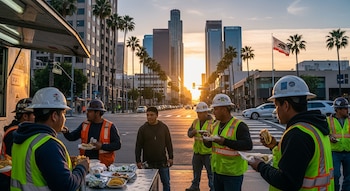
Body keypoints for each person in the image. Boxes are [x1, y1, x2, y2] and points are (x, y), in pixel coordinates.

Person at [249, 75, 334, 190]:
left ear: (286, 105)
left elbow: (287, 181)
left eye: (276, 105)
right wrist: (274, 146)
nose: (276, 110)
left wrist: (259, 166)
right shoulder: (314, 128)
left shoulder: (297, 134)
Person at [10, 87, 89, 190]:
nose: (64, 118)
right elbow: (66, 186)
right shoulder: (48, 145)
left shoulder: (22, 138)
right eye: (63, 113)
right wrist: (82, 167)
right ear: (54, 116)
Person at [203, 93, 253, 191]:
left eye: (216, 109)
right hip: (217, 172)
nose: (214, 112)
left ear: (224, 109)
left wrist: (224, 141)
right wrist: (206, 140)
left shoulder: (239, 125)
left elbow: (247, 145)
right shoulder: (215, 125)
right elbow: (211, 145)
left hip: (232, 174)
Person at [63, 99, 121, 166]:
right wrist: (66, 132)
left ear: (97, 113)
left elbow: (117, 145)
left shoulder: (109, 126)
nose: (87, 113)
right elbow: (72, 137)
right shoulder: (85, 124)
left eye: (90, 111)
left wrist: (102, 146)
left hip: (103, 166)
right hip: (86, 164)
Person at [135, 106, 174, 191]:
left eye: (151, 115)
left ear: (157, 115)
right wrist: (138, 160)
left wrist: (171, 157)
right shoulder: (143, 129)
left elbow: (168, 143)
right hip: (148, 163)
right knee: (150, 185)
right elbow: (138, 146)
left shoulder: (163, 127)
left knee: (166, 183)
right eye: (147, 115)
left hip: (162, 162)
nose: (149, 117)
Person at [0, 98, 35, 191]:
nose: (36, 118)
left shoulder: (15, 131)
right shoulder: (16, 134)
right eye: (34, 115)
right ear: (25, 116)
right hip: (8, 179)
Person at [186, 102, 215, 191]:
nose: (199, 115)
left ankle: (213, 187)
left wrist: (208, 136)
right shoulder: (195, 122)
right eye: (198, 113)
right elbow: (189, 134)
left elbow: (216, 137)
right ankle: (195, 186)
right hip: (197, 152)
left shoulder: (213, 123)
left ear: (206, 112)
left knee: (211, 173)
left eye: (201, 113)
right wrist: (193, 132)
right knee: (196, 171)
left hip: (208, 153)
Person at [327, 97, 350, 191]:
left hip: (348, 151)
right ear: (338, 110)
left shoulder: (349, 120)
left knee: (348, 177)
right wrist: (330, 137)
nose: (347, 110)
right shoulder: (329, 120)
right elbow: (325, 133)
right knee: (335, 175)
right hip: (335, 151)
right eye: (345, 108)